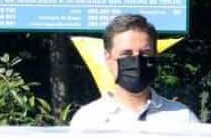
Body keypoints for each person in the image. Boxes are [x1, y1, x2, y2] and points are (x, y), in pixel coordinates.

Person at [69, 14, 200, 130]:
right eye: (126, 53)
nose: (137, 61)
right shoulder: (87, 120)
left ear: (155, 56)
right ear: (108, 58)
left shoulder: (182, 118)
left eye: (145, 53)